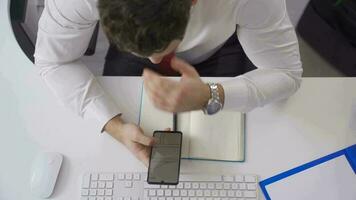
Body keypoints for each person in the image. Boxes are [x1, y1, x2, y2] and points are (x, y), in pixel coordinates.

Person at [34, 0, 303, 166]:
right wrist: (114, 126)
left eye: (162, 51)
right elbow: (51, 62)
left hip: (220, 46)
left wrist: (213, 94)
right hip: (129, 48)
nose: (155, 60)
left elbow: (287, 73)